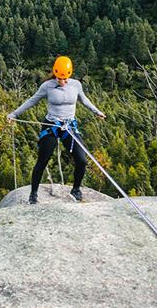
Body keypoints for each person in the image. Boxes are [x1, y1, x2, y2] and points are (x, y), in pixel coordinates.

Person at [7, 56, 105, 204]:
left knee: (82, 160)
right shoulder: (47, 86)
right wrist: (14, 114)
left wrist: (96, 111)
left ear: (70, 74)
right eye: (59, 78)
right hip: (51, 126)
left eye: (65, 79)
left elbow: (84, 100)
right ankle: (33, 194)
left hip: (69, 126)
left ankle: (76, 189)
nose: (62, 81)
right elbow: (32, 100)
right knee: (43, 160)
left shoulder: (76, 85)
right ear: (55, 74)